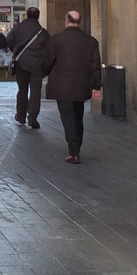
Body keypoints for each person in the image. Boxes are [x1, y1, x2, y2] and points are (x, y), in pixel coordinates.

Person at [39, 11, 102, 163]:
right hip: (82, 86)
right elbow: (95, 66)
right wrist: (96, 86)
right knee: (78, 116)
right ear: (79, 21)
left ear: (67, 20)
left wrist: (43, 73)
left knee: (67, 117)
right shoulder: (91, 42)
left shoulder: (56, 40)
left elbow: (47, 62)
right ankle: (76, 145)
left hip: (62, 86)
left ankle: (74, 150)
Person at [8, 7, 49, 128]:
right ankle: (32, 117)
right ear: (38, 16)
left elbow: (9, 38)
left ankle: (21, 116)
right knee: (35, 91)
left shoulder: (19, 27)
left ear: (26, 15)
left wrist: (15, 51)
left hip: (21, 63)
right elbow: (48, 49)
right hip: (37, 64)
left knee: (22, 90)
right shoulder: (42, 31)